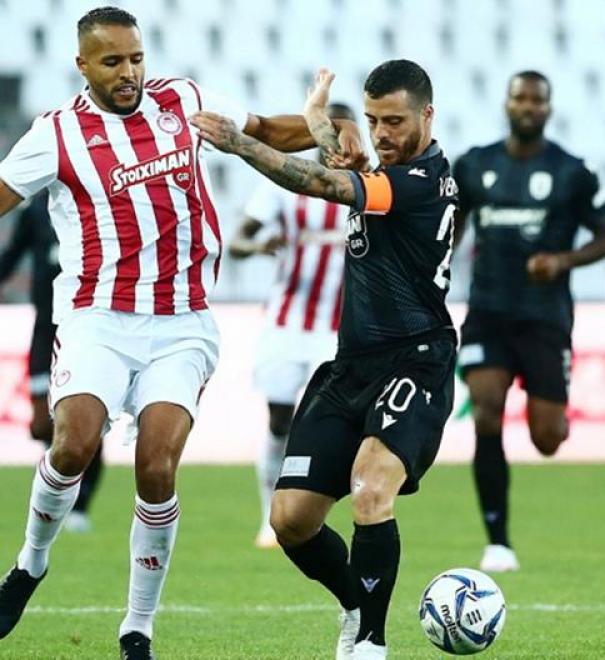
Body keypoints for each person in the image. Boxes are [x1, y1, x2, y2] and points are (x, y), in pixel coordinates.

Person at [0, 7, 364, 658]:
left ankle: (138, 627)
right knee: (73, 445)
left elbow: (267, 130)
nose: (128, 72)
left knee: (156, 467)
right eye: (112, 62)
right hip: (97, 318)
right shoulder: (56, 134)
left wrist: (331, 128)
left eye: (135, 58)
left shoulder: (181, 101)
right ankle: (29, 564)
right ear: (83, 66)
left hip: (181, 321)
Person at [193, 62, 459, 660]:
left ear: (427, 116)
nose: (382, 134)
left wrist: (240, 143)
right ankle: (354, 605)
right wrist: (318, 114)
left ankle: (370, 643)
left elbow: (325, 183)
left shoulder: (422, 181)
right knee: (290, 519)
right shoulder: (384, 169)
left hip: (415, 361)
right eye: (373, 120)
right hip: (351, 365)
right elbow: (336, 150)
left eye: (395, 121)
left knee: (370, 486)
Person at [451, 71, 605, 573]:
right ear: (506, 104)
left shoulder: (572, 172)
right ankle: (498, 542)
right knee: (486, 413)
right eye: (519, 98)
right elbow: (451, 230)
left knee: (547, 439)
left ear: (548, 108)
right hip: (488, 312)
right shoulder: (474, 165)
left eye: (536, 100)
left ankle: (551, 414)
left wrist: (562, 261)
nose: (527, 106)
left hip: (545, 318)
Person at [227, 103, 355, 549]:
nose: (336, 141)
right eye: (327, 131)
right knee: (280, 420)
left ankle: (311, 515)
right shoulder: (284, 185)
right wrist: (260, 245)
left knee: (326, 426)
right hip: (287, 323)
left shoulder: (365, 188)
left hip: (338, 330)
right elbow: (236, 241)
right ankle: (269, 514)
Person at [0, 192, 102, 533]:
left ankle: (81, 503)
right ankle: (61, 487)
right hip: (46, 328)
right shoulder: (35, 207)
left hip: (88, 327)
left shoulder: (98, 195)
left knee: (88, 420)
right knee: (41, 425)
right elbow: (15, 247)